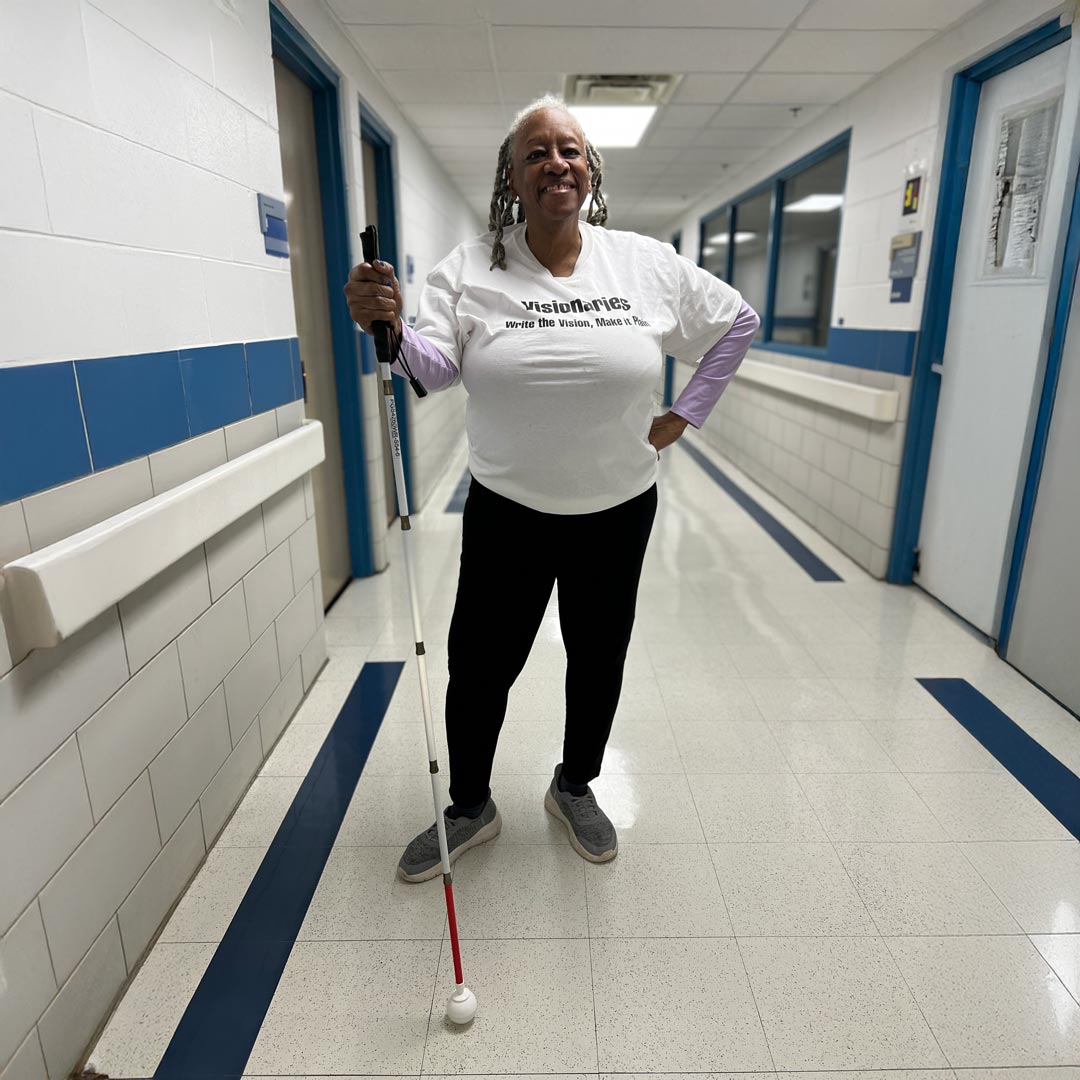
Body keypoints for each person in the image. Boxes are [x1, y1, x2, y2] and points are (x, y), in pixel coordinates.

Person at [344, 95, 759, 882]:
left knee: (597, 658)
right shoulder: (469, 268)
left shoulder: (642, 263)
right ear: (512, 177)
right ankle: (470, 806)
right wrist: (389, 329)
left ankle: (575, 785)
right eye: (535, 153)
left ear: (590, 171)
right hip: (508, 511)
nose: (555, 163)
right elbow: (432, 368)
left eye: (569, 149)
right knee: (480, 664)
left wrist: (685, 415)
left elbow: (737, 322)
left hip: (617, 507)